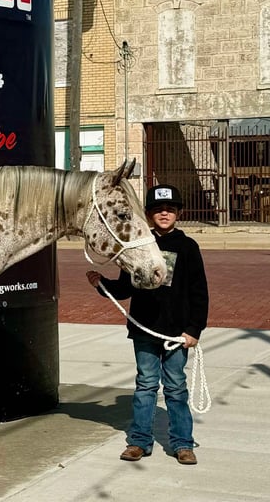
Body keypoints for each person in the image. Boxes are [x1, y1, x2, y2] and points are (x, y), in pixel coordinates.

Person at [86, 184, 209, 465]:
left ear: (179, 213)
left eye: (170, 209)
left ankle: (182, 443)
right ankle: (139, 441)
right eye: (158, 209)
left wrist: (194, 330)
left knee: (176, 387)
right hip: (144, 329)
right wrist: (102, 284)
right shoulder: (138, 245)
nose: (164, 214)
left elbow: (199, 292)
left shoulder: (188, 247)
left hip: (176, 333)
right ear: (148, 214)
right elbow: (125, 288)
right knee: (145, 385)